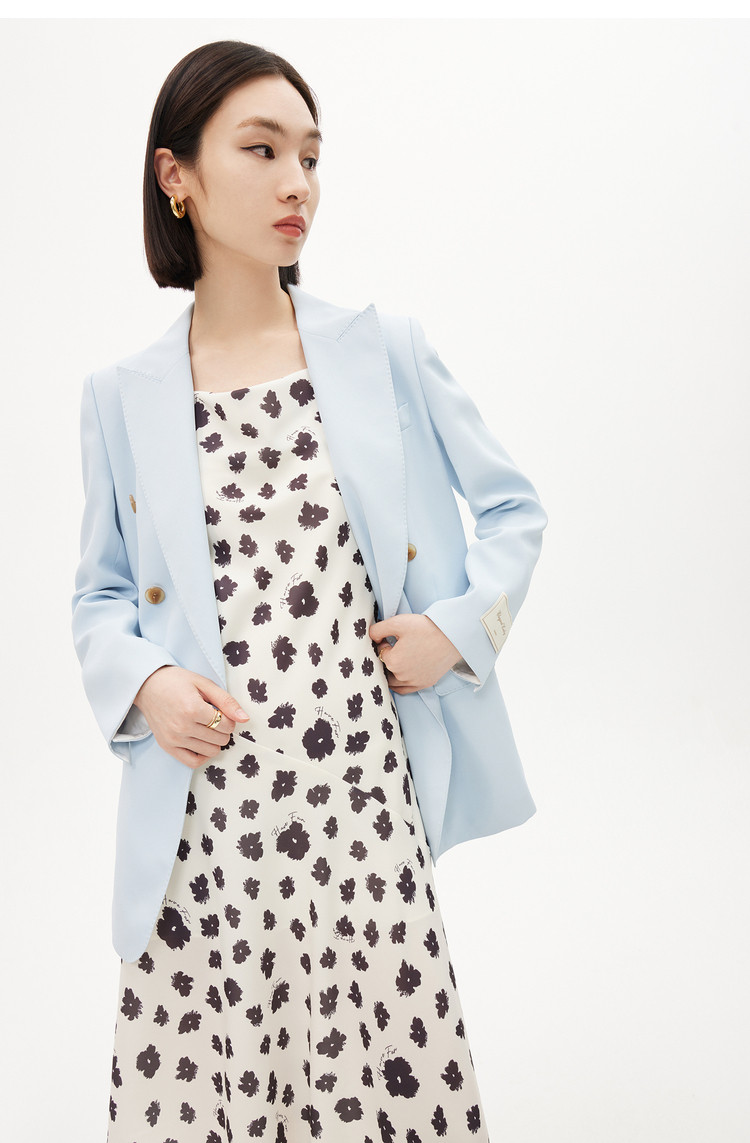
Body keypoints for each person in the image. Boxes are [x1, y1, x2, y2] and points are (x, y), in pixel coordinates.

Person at [71, 39, 548, 1142]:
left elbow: (514, 511)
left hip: (360, 811)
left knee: (382, 1095)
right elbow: (98, 598)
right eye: (262, 149)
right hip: (207, 823)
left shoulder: (383, 350)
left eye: (312, 156)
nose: (299, 183)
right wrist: (146, 684)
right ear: (176, 175)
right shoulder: (120, 397)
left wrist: (456, 632)